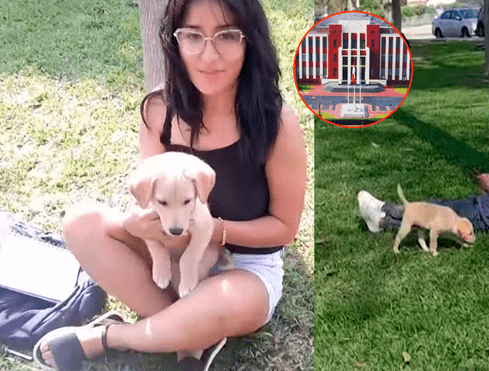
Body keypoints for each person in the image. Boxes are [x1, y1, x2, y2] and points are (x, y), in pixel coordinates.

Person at [33, 0, 307, 369]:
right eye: (193, 36)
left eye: (226, 35)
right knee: (81, 223)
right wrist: (135, 223)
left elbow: (284, 229)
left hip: (245, 268)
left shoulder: (277, 124)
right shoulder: (159, 111)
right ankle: (189, 335)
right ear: (175, 41)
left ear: (249, 40)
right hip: (171, 248)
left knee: (225, 301)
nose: (208, 55)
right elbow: (151, 204)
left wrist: (213, 232)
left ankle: (110, 337)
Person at [359, 95, 489, 233]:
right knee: (435, 208)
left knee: (432, 214)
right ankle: (383, 214)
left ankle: (383, 216)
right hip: (485, 209)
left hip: (485, 215)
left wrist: (488, 185)